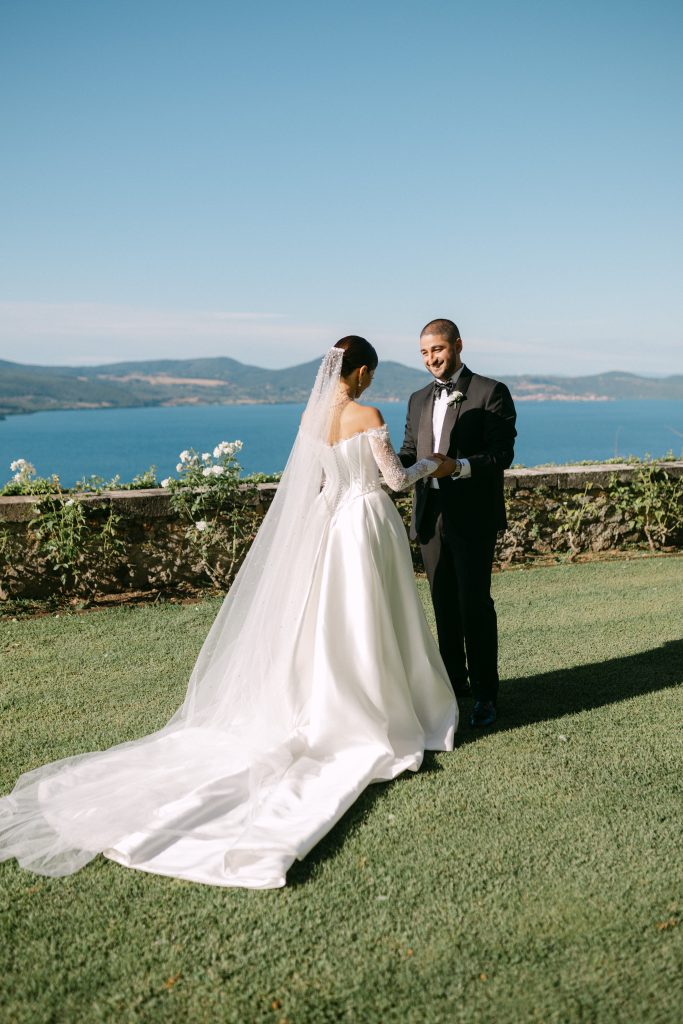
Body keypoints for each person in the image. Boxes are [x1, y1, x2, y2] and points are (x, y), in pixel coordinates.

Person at [0, 337, 457, 890]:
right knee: (376, 618)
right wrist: (434, 464)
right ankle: (382, 703)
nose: (369, 382)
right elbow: (393, 479)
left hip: (332, 527)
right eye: (369, 374)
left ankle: (341, 698)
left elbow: (314, 484)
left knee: (337, 624)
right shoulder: (368, 414)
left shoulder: (313, 421)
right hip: (366, 524)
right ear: (360, 372)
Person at [398, 319, 517, 728]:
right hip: (429, 518)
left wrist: (459, 467)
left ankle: (486, 694)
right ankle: (453, 685)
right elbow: (409, 452)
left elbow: (501, 456)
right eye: (425, 353)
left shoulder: (490, 392)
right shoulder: (416, 399)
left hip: (473, 518)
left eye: (438, 350)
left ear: (458, 345)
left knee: (475, 606)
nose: (432, 359)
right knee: (443, 605)